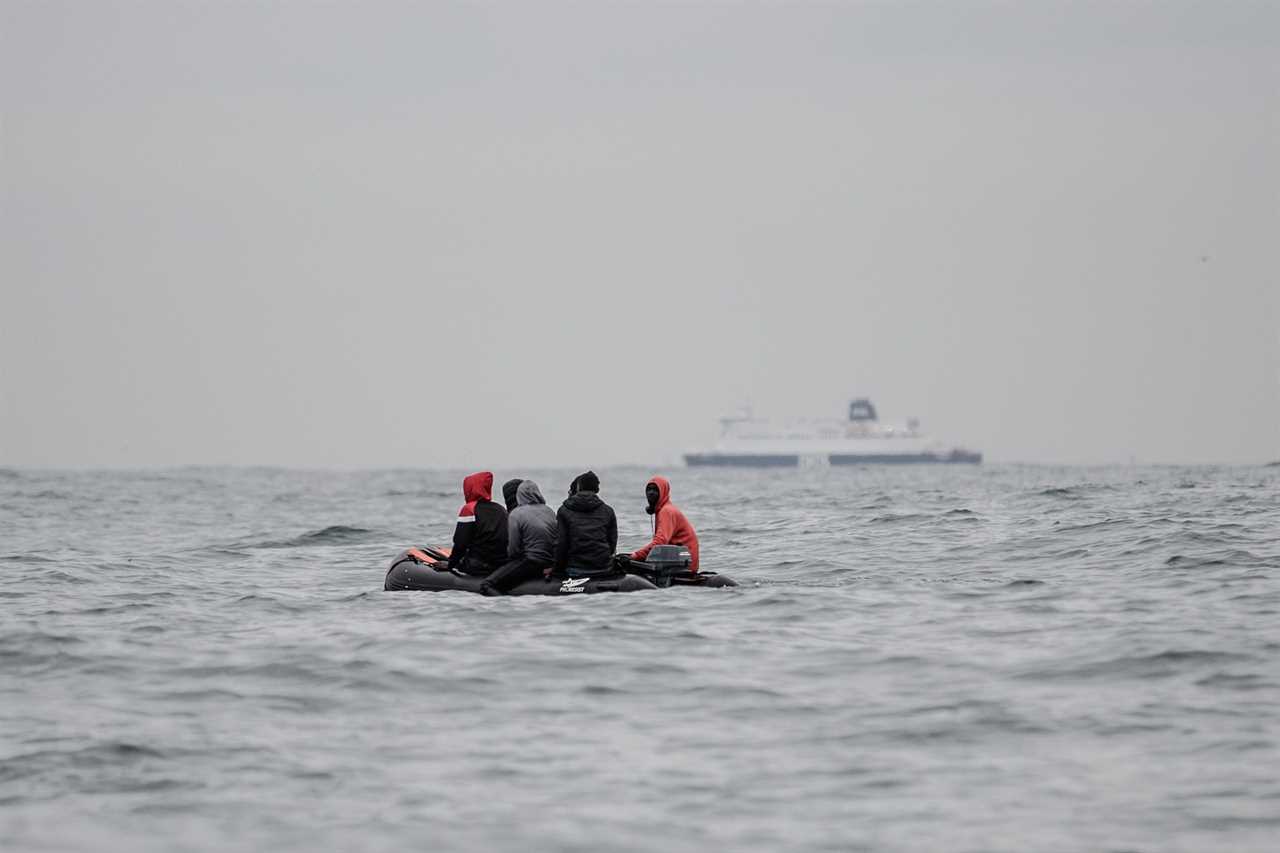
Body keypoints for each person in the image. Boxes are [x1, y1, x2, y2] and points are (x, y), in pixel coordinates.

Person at [480, 480, 557, 596]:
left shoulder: (516, 514)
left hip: (531, 562)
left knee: (486, 585)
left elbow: (513, 550)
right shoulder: (549, 511)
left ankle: (505, 607)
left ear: (519, 496)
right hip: (550, 563)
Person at [628, 476, 700, 572]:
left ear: (663, 492)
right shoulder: (663, 509)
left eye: (655, 490)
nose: (651, 492)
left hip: (685, 566)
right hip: (679, 560)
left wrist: (636, 555)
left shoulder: (666, 511)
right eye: (649, 489)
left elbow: (660, 542)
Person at [554, 470, 617, 578]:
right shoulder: (608, 511)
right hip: (604, 568)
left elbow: (561, 544)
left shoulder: (564, 511)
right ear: (597, 489)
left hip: (576, 569)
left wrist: (556, 570)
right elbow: (612, 543)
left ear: (578, 488)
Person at [446, 471, 508, 576]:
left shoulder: (469, 509)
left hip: (478, 566)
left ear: (469, 489)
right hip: (501, 565)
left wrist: (450, 565)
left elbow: (460, 543)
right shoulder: (500, 509)